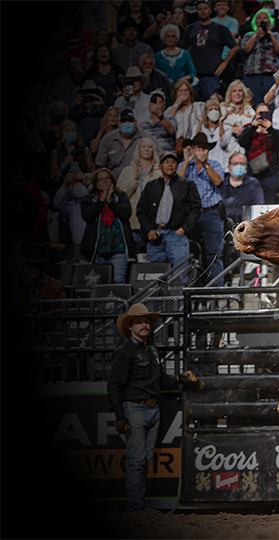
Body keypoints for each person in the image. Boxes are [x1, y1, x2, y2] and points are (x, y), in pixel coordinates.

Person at [108, 303, 201, 512]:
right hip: (136, 408)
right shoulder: (124, 353)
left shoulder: (152, 351)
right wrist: (120, 416)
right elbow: (114, 386)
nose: (144, 325)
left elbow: (161, 381)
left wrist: (179, 378)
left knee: (143, 460)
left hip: (150, 409)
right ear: (130, 327)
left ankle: (137, 507)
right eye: (139, 322)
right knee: (138, 461)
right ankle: (136, 509)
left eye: (146, 321)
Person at [137, 152, 201, 274]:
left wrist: (183, 229)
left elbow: (196, 209)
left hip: (176, 236)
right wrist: (149, 230)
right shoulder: (151, 186)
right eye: (166, 162)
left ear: (177, 166)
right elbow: (141, 211)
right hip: (155, 237)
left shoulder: (187, 185)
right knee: (155, 275)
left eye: (173, 162)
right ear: (160, 166)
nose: (169, 164)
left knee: (180, 275)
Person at [178, 133, 226, 286]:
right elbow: (177, 184)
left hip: (211, 213)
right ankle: (191, 289)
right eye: (198, 148)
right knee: (190, 253)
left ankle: (216, 291)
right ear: (191, 149)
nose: (201, 151)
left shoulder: (214, 164)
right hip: (190, 215)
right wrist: (186, 162)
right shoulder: (184, 165)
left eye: (204, 148)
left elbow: (218, 181)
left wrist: (205, 164)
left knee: (214, 254)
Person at [80, 168, 135, 284]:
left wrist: (110, 201)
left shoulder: (120, 196)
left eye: (107, 178)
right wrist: (101, 201)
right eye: (101, 179)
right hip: (97, 252)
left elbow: (126, 213)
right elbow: (87, 216)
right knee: (99, 284)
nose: (104, 181)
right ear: (96, 183)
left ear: (112, 181)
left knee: (118, 281)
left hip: (118, 250)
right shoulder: (89, 199)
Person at [179, 0, 239, 100]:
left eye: (205, 8)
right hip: (192, 75)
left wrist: (224, 63)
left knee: (211, 104)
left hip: (211, 75)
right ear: (197, 11)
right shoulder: (190, 28)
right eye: (200, 9)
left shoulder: (220, 29)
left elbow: (235, 47)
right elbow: (182, 48)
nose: (203, 11)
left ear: (210, 10)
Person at [238, 103, 279, 203]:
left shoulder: (275, 132)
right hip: (251, 172)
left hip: (270, 173)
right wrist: (253, 127)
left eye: (266, 113)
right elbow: (242, 142)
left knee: (267, 202)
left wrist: (270, 129)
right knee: (250, 201)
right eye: (260, 113)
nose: (262, 116)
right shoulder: (249, 130)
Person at [241, 8, 279, 106]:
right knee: (253, 101)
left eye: (265, 18)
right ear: (255, 21)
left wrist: (270, 36)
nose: (262, 20)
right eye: (259, 18)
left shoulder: (276, 35)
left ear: (269, 21)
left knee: (270, 102)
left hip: (271, 73)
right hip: (252, 73)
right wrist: (256, 36)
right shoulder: (249, 36)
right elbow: (246, 49)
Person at [95, 108, 156, 177]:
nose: (127, 124)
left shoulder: (146, 138)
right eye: (123, 121)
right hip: (114, 180)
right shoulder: (107, 139)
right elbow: (101, 166)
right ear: (118, 123)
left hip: (138, 179)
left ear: (135, 123)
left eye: (130, 121)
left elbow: (158, 159)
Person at [117, 137, 162, 232]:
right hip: (132, 220)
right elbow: (120, 194)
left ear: (153, 150)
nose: (146, 149)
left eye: (150, 147)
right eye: (143, 147)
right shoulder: (128, 170)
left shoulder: (159, 172)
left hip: (154, 220)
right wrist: (135, 179)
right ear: (138, 150)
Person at [218, 152, 264, 224]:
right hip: (223, 222)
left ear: (246, 167)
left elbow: (258, 206)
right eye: (235, 163)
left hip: (245, 223)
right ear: (229, 166)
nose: (239, 166)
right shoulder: (221, 183)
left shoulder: (253, 183)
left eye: (242, 164)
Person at [166, 77, 206, 157]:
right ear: (175, 93)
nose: (183, 93)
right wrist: (178, 102)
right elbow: (166, 120)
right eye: (180, 91)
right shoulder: (171, 109)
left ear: (190, 92)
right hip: (176, 150)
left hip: (195, 149)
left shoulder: (199, 106)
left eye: (186, 90)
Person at [139, 90, 177, 155]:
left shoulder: (170, 120)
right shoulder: (142, 125)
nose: (156, 104)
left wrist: (159, 114)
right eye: (154, 102)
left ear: (164, 105)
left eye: (160, 102)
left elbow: (171, 131)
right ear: (149, 104)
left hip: (167, 157)